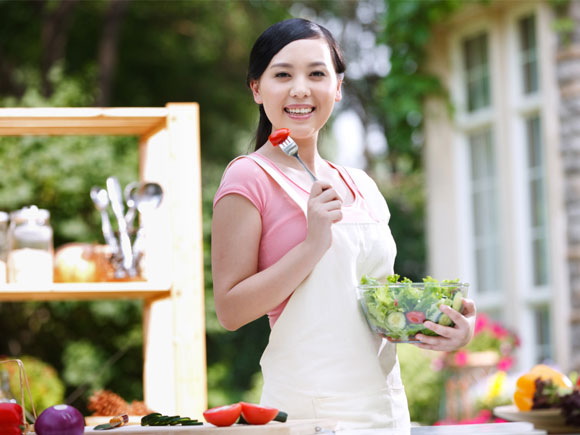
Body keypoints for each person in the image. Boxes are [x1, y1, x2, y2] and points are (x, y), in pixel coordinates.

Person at [211, 17, 476, 429]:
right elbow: (229, 310)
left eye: (317, 73)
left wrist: (444, 326)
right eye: (283, 74)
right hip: (309, 413)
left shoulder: (363, 185)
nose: (301, 88)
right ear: (257, 89)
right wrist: (312, 245)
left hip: (383, 409)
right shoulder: (249, 177)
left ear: (337, 86)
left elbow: (377, 304)